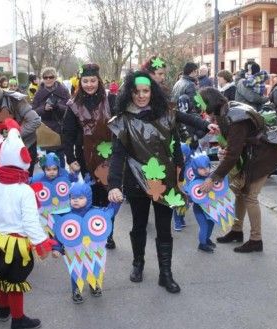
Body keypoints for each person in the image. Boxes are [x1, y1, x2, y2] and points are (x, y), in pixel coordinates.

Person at [0, 118, 56, 329]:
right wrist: (42, 243)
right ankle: (18, 319)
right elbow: (30, 222)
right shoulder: (24, 190)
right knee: (15, 282)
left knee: (0, 276)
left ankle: (3, 311)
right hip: (17, 246)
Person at [107, 71, 184, 293]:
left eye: (146, 91)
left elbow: (176, 147)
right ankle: (138, 263)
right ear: (129, 93)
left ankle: (165, 274)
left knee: (163, 227)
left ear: (152, 91)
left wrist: (180, 175)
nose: (141, 96)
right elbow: (117, 155)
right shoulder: (122, 121)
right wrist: (114, 184)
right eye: (136, 91)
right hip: (136, 180)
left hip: (163, 179)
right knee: (139, 225)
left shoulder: (166, 115)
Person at [197, 87, 277, 253]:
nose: (201, 108)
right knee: (239, 192)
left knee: (250, 196)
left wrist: (213, 178)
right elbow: (232, 146)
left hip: (262, 158)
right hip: (254, 157)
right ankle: (237, 231)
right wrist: (224, 148)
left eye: (202, 104)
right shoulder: (226, 111)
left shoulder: (235, 118)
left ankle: (256, 240)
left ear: (210, 103)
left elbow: (233, 155)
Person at [62, 63, 116, 249]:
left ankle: (108, 232)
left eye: (93, 80)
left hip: (108, 156)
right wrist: (70, 159)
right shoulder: (73, 105)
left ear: (98, 81)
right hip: (85, 156)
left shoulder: (111, 100)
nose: (89, 84)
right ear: (80, 82)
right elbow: (67, 133)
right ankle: (92, 230)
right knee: (90, 194)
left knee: (108, 193)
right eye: (85, 81)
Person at [51, 179, 107, 304]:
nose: (75, 200)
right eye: (73, 197)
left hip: (92, 249)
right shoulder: (66, 215)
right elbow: (59, 233)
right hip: (73, 250)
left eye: (80, 197)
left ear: (88, 197)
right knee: (76, 270)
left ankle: (94, 285)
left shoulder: (95, 212)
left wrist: (116, 203)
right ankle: (76, 290)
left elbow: (108, 217)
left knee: (93, 267)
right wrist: (56, 248)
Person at [0, 71, 41, 176]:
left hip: (24, 148)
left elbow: (35, 121)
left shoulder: (14, 99)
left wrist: (13, 136)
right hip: (3, 152)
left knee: (22, 185)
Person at [32, 67, 70, 167]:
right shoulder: (39, 93)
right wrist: (44, 108)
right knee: (50, 156)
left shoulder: (63, 91)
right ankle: (51, 178)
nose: (48, 79)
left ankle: (61, 178)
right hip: (47, 129)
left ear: (55, 78)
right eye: (45, 77)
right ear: (42, 78)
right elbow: (34, 111)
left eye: (51, 77)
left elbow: (69, 109)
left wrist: (57, 107)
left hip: (61, 127)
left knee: (61, 156)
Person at [185, 153, 216, 252]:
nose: (206, 170)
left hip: (210, 206)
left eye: (207, 166)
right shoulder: (194, 182)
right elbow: (191, 195)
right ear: (195, 169)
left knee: (211, 223)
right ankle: (202, 244)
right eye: (202, 168)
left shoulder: (211, 178)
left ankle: (206, 239)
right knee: (204, 225)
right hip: (199, 209)